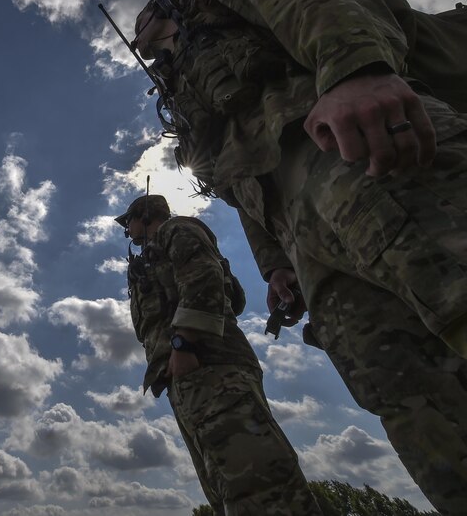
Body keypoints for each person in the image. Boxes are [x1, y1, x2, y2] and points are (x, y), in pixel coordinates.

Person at [129, 0, 467, 515]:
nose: (140, 39)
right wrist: (276, 266)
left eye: (144, 25)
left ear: (161, 7)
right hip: (307, 243)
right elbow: (236, 184)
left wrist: (355, 71)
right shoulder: (186, 99)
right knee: (409, 394)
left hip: (362, 152)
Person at [115, 194, 322, 516]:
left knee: (260, 486)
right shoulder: (151, 257)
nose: (127, 232)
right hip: (186, 376)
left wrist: (184, 344)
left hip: (209, 365)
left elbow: (203, 278)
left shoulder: (176, 230)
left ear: (143, 214)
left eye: (128, 222)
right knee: (227, 488)